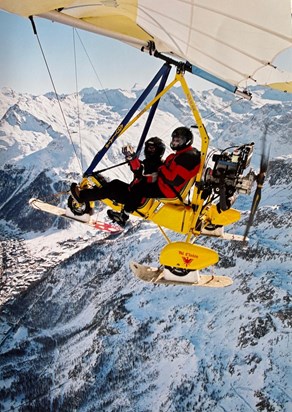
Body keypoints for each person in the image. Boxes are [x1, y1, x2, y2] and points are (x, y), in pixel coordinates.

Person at [107, 127, 201, 226]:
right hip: (167, 187)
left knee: (139, 188)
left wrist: (161, 168)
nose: (174, 143)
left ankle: (124, 216)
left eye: (178, 141)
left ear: (186, 141)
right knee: (140, 185)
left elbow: (173, 179)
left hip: (168, 191)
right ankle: (124, 212)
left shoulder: (185, 158)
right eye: (174, 140)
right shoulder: (183, 155)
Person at [70, 137, 166, 216]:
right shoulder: (150, 163)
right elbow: (138, 169)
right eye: (149, 148)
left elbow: (145, 177)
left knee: (111, 190)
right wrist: (131, 158)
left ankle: (82, 197)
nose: (150, 150)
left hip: (138, 199)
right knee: (114, 183)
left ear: (159, 151)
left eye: (153, 148)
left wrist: (134, 162)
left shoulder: (158, 165)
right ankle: (88, 199)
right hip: (135, 193)